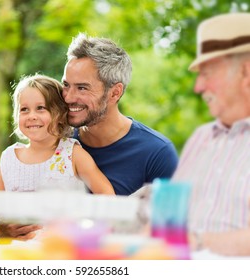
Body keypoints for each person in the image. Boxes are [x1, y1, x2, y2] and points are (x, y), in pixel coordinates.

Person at [172, 13, 250, 256]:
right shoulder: (202, 137)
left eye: (207, 73)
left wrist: (195, 241)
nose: (198, 87)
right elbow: (170, 211)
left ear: (246, 73)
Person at [61, 33, 179, 195]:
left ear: (115, 93)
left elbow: (170, 219)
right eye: (66, 85)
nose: (68, 97)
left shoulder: (157, 154)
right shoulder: (56, 144)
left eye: (82, 88)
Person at [0, 74, 115, 194]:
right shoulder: (9, 157)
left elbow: (107, 195)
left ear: (61, 115)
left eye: (41, 108)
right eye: (24, 109)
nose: (32, 116)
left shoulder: (73, 154)